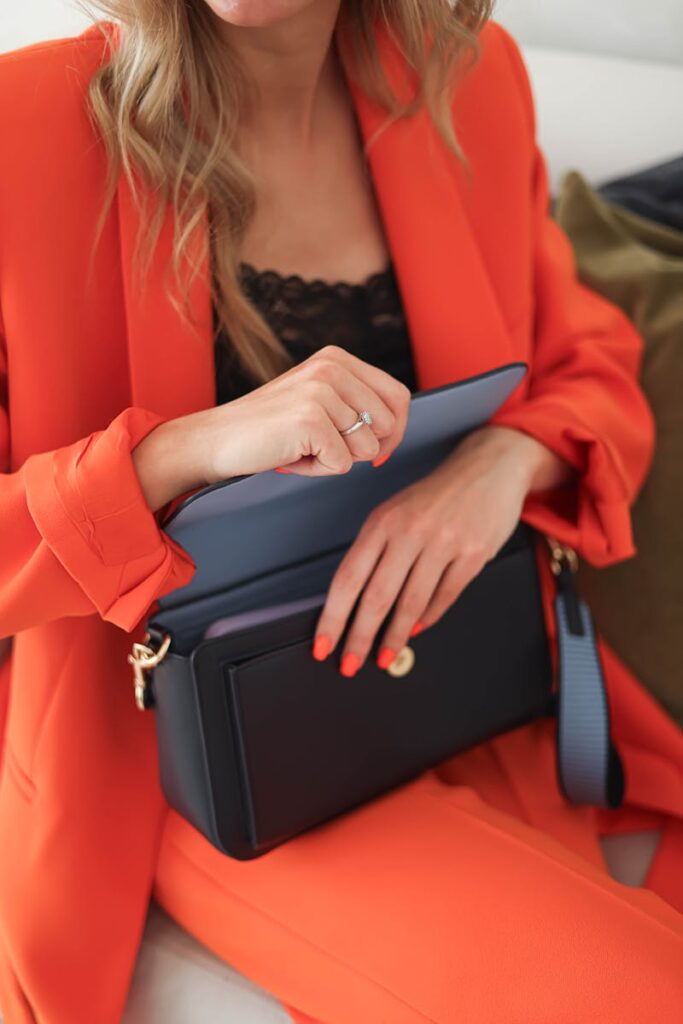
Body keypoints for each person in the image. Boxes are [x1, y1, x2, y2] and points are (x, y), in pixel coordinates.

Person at [0, 2, 681, 1021]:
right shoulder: (22, 130)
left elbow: (582, 358)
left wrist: (504, 461)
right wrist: (185, 449)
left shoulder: (466, 79)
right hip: (208, 753)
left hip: (470, 685)